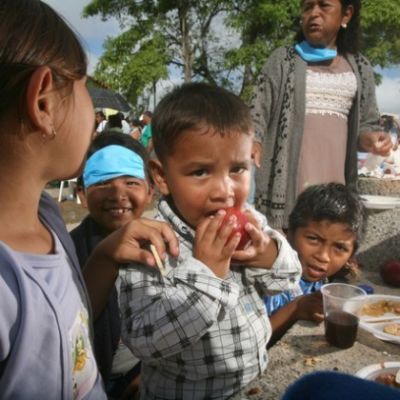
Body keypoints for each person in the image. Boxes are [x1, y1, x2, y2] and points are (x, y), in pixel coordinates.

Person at [0, 1, 178, 399]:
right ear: (44, 102)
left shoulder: (44, 215)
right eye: (84, 88)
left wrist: (103, 258)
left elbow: (70, 325)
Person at [117, 82, 302, 399]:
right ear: (162, 177)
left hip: (251, 384)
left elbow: (289, 280)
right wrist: (207, 275)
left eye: (237, 169)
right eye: (201, 172)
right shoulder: (152, 245)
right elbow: (143, 340)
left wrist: (268, 254)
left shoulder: (252, 221)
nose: (225, 191)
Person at [250, 0, 392, 230]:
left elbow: (367, 124)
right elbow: (257, 111)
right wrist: (253, 140)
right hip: (289, 185)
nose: (313, 14)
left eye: (324, 6)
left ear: (346, 15)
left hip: (334, 179)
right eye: (307, 7)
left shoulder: (360, 67)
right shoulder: (283, 60)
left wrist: (372, 140)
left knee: (326, 240)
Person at [71, 132, 153, 398]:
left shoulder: (163, 246)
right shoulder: (66, 252)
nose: (118, 194)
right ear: (82, 194)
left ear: (150, 191)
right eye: (103, 182)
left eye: (131, 181)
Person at [264, 183, 366, 346]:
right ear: (288, 231)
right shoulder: (267, 277)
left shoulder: (317, 277)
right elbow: (247, 344)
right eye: (313, 239)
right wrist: (295, 309)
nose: (323, 256)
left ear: (351, 256)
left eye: (339, 247)